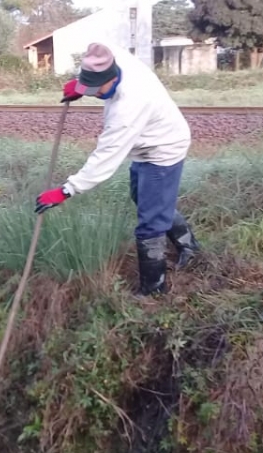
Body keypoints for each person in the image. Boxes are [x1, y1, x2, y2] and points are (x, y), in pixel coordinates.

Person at [35, 42, 201, 296]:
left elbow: (105, 159)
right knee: (142, 197)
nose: (92, 94)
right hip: (147, 144)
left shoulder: (128, 107)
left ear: (111, 79)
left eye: (95, 90)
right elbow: (97, 58)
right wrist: (80, 86)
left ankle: (153, 290)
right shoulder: (113, 58)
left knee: (150, 222)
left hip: (164, 148)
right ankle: (189, 246)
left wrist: (66, 191)